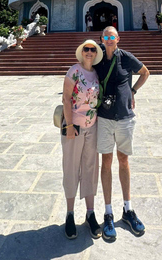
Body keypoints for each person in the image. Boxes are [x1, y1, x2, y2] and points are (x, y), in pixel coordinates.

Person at [94, 26, 150, 241]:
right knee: (106, 161)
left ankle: (128, 209)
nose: (109, 39)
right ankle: (108, 212)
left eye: (112, 36)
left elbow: (145, 72)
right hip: (104, 118)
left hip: (125, 118)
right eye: (105, 36)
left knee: (123, 160)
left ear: (118, 39)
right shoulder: (97, 56)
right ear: (102, 39)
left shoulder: (125, 57)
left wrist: (133, 91)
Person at [61, 39, 103, 240]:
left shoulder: (96, 73)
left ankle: (90, 212)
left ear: (96, 53)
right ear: (81, 52)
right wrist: (69, 126)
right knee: (71, 167)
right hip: (74, 128)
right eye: (86, 49)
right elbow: (66, 98)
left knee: (91, 168)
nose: (89, 52)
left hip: (92, 127)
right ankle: (69, 214)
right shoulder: (74, 71)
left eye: (92, 49)